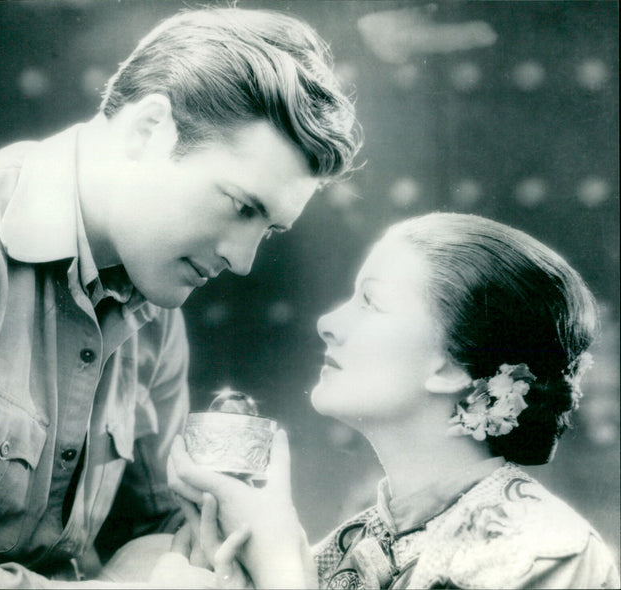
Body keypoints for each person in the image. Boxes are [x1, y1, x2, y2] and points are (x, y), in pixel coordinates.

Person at [0, 7, 361, 588]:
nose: (243, 259)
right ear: (147, 130)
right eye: (240, 206)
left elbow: (158, 537)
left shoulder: (154, 294)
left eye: (269, 229)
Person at [168, 212, 621, 589]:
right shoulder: (343, 549)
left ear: (450, 367)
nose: (327, 321)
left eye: (371, 302)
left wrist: (282, 567)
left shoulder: (542, 553)